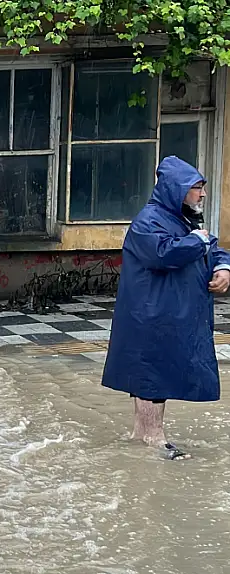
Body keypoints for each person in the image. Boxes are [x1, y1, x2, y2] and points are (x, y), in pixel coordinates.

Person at [102, 156, 230, 460]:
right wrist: (198, 243)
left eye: (202, 187)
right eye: (197, 187)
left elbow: (214, 247)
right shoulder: (148, 221)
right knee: (149, 374)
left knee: (157, 372)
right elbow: (162, 254)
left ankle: (142, 436)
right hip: (150, 315)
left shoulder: (184, 220)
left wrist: (223, 267)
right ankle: (153, 439)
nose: (203, 194)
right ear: (176, 189)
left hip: (171, 313)